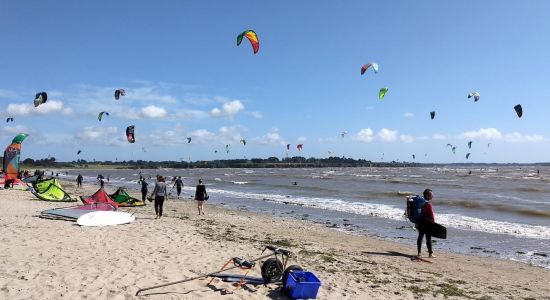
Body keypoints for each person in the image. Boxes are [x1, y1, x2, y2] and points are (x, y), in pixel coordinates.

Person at [416, 189, 436, 258]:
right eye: (431, 194)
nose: (432, 196)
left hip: (420, 222)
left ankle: (419, 252)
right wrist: (433, 223)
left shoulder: (419, 203)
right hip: (427, 224)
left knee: (420, 237)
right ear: (427, 195)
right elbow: (431, 215)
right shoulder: (428, 204)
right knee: (428, 239)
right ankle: (430, 254)